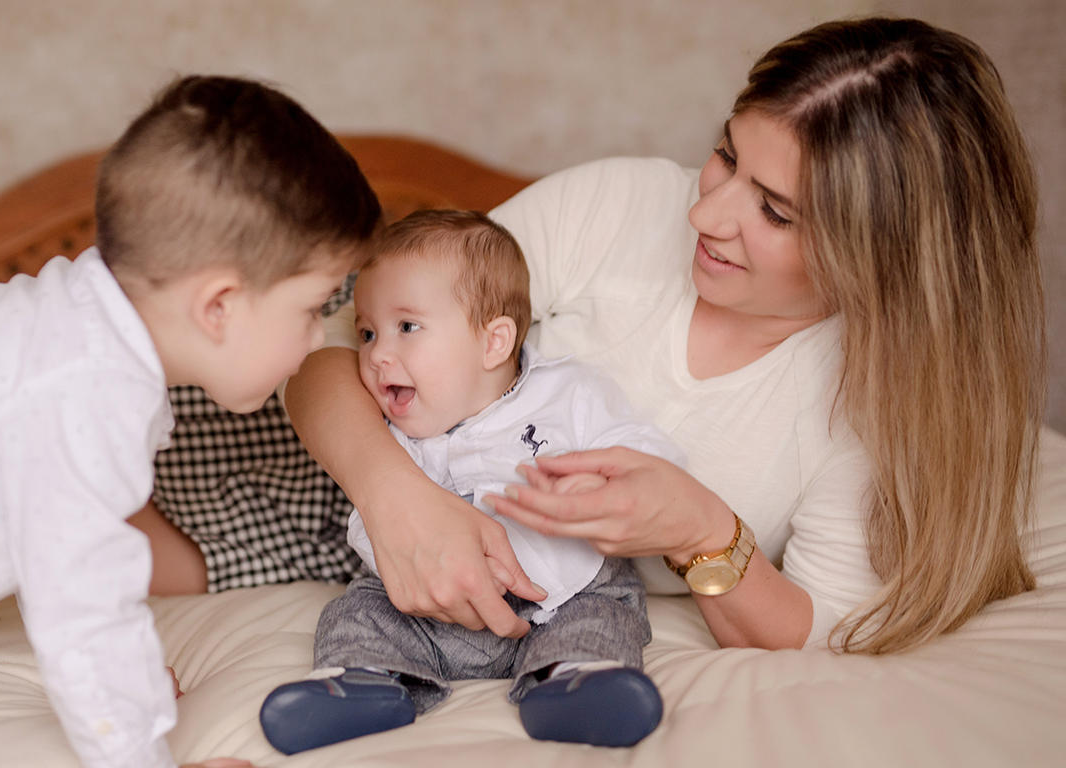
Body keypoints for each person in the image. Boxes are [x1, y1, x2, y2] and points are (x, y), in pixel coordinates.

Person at [283, 17, 1046, 656]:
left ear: (883, 255)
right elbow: (319, 358)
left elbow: (819, 628)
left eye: (776, 212)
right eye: (726, 155)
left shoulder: (873, 395)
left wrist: (698, 528)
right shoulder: (617, 204)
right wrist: (395, 497)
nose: (705, 215)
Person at [0, 75, 380, 768]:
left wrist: (124, 692)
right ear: (219, 305)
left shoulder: (59, 330)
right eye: (313, 308)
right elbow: (84, 611)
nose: (321, 339)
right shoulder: (85, 397)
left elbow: (40, 546)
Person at [260, 210, 684, 754]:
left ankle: (578, 683)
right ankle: (362, 682)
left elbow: (648, 461)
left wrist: (602, 492)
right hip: (428, 608)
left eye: (406, 327)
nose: (377, 353)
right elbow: (374, 525)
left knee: (606, 616)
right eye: (367, 332)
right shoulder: (385, 428)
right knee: (358, 610)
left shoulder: (568, 394)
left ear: (494, 343)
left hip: (563, 593)